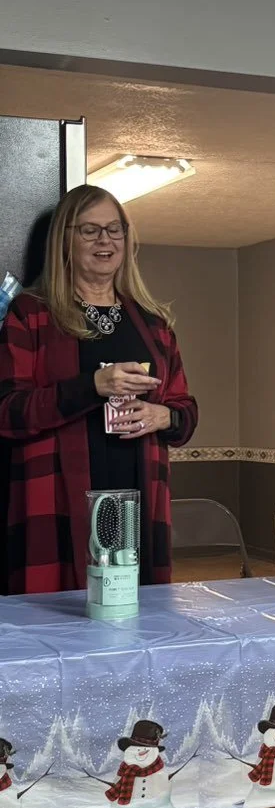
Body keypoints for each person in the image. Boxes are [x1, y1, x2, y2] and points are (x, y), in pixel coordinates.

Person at [0, 185, 198, 595]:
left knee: (138, 624)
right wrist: (92, 387)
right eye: (89, 230)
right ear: (64, 240)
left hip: (140, 499)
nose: (105, 240)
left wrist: (165, 416)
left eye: (114, 230)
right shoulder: (32, 314)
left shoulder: (153, 324)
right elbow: (8, 413)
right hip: (56, 500)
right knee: (58, 628)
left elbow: (184, 408)